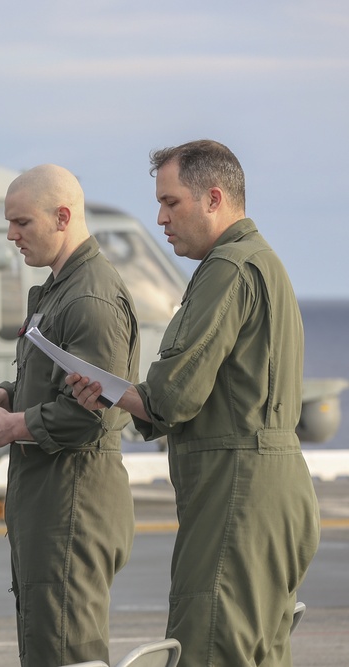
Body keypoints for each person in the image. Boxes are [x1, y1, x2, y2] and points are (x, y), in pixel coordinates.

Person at [68, 140, 320, 667]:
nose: (160, 218)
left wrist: (112, 390)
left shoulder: (227, 267)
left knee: (208, 650)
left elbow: (172, 397)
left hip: (237, 494)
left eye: (171, 202)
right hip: (273, 491)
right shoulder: (264, 263)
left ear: (213, 198)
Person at [0, 164, 138, 665]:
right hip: (51, 503)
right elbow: (56, 384)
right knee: (46, 644)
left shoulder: (89, 298)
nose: (11, 235)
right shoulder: (62, 288)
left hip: (72, 506)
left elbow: (98, 410)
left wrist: (12, 426)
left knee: (65, 651)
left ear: (62, 217)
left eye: (22, 223)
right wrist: (3, 396)